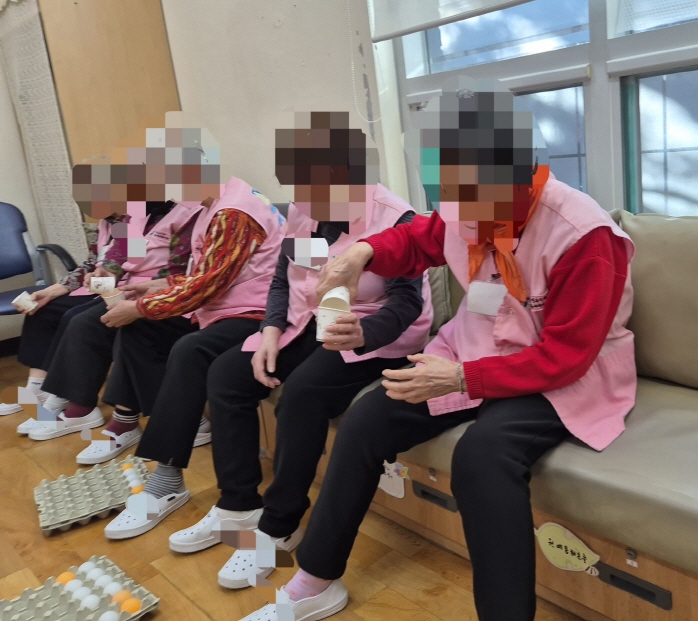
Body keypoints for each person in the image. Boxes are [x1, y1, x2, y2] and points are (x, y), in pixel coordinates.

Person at [238, 81, 636, 621]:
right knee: (367, 419)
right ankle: (316, 578)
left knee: (482, 455)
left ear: (519, 172)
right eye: (449, 186)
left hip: (559, 376)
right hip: (474, 347)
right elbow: (419, 238)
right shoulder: (463, 203)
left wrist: (459, 380)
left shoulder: (585, 235)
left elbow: (567, 356)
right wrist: (361, 252)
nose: (459, 208)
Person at [108, 113, 433, 596]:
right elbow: (285, 279)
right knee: (227, 374)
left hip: (373, 334)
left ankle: (280, 525)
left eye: (311, 185)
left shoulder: (396, 219)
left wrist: (362, 333)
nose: (301, 197)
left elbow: (406, 303)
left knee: (301, 394)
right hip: (308, 320)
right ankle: (238, 504)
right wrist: (270, 331)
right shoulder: (305, 209)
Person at [71, 175, 285, 472]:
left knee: (186, 347)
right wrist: (156, 285)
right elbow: (201, 270)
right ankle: (125, 420)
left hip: (251, 309)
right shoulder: (204, 206)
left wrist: (143, 304)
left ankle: (165, 466)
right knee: (132, 327)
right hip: (213, 302)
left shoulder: (231, 212)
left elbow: (206, 282)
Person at [24, 116, 217, 443]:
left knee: (98, 322)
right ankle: (63, 399)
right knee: (74, 316)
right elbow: (119, 258)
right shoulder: (136, 216)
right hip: (140, 291)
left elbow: (179, 272)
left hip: (189, 301)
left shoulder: (193, 215)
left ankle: (122, 415)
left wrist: (131, 296)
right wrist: (104, 277)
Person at [0, 215, 126, 419]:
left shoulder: (136, 223)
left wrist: (98, 281)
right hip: (99, 287)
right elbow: (90, 264)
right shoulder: (105, 224)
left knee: (75, 317)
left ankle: (64, 396)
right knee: (44, 309)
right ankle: (36, 388)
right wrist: (50, 292)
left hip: (121, 291)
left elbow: (136, 269)